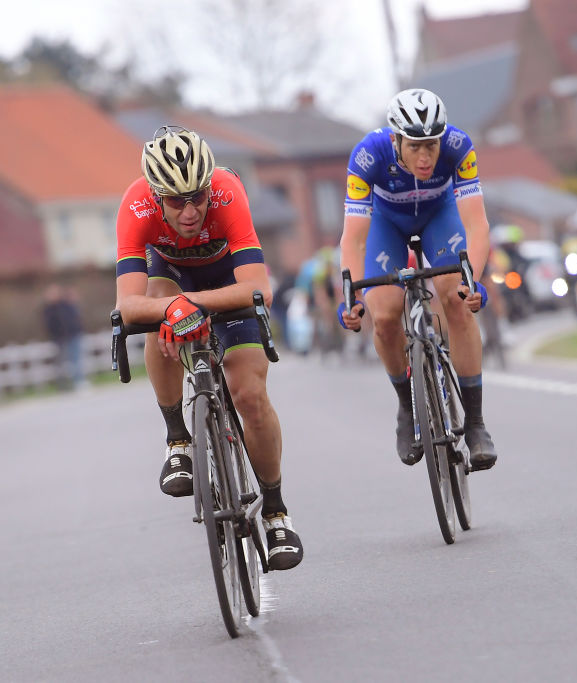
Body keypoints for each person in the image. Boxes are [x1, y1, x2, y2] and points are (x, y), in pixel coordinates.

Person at [114, 126, 302, 571]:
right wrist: (171, 308)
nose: (190, 211)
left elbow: (257, 288)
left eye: (197, 197)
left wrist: (189, 305)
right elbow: (128, 304)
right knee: (157, 320)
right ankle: (178, 438)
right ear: (156, 195)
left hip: (228, 278)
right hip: (172, 275)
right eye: (176, 201)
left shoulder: (226, 191)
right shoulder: (136, 204)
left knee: (249, 396)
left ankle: (276, 513)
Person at [337, 89, 498, 472]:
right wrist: (350, 296)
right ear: (396, 140)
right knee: (385, 315)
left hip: (440, 215)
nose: (425, 157)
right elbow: (354, 239)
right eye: (415, 147)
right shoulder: (368, 155)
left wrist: (472, 280)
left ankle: (475, 423)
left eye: (431, 146)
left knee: (456, 299)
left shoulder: (459, 146)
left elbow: (477, 225)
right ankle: (407, 407)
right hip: (386, 223)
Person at [42, 284, 86, 390]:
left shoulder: (65, 305)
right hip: (59, 339)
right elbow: (49, 325)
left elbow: (74, 319)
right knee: (61, 363)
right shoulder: (48, 310)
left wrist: (77, 329)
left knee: (76, 360)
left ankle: (79, 381)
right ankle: (64, 385)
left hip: (72, 335)